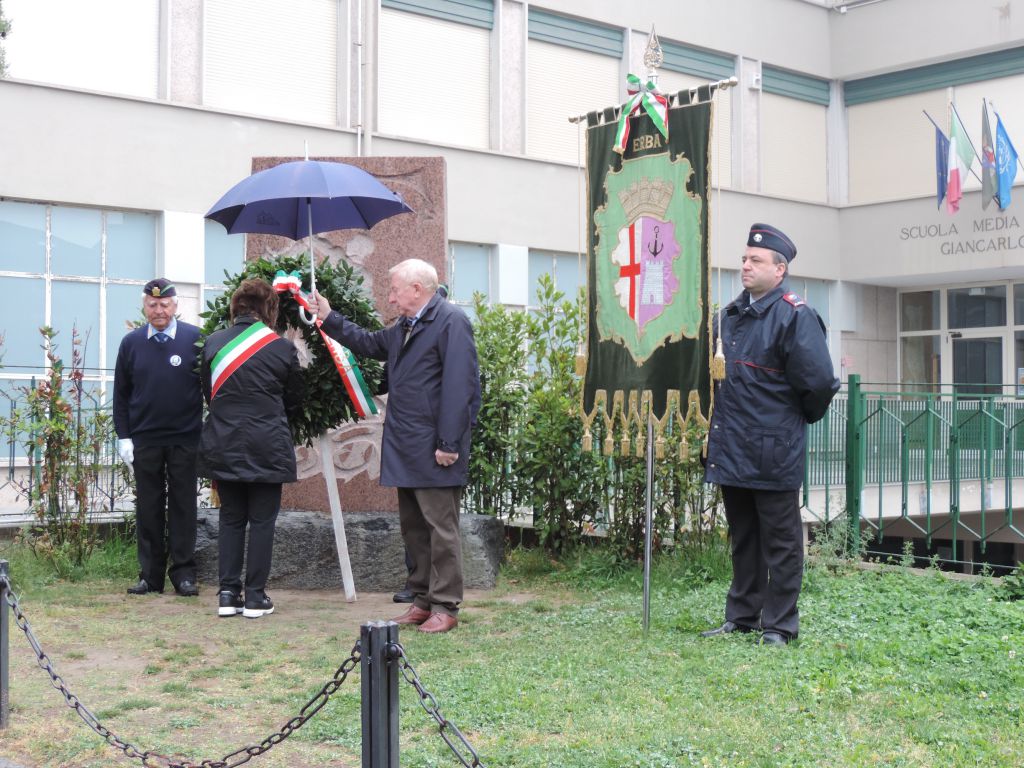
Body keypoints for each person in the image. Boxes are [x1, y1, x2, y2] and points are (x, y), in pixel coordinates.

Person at [312, 259, 480, 634]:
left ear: (417, 289)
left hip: (436, 447)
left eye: (394, 290)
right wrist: (328, 316)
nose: (390, 298)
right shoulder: (406, 325)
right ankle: (422, 600)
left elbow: (461, 387)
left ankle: (445, 605)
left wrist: (449, 443)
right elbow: (370, 343)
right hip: (406, 445)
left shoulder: (451, 321)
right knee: (414, 529)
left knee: (441, 529)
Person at [703, 223, 840, 646]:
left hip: (773, 451)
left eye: (756, 260)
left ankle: (779, 625)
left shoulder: (794, 316)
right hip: (732, 447)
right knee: (744, 537)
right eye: (744, 259)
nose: (746, 265)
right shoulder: (727, 318)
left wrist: (790, 425)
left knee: (782, 544)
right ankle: (742, 616)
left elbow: (819, 383)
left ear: (779, 270)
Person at [198, 279, 303, 619]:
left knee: (230, 519)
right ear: (269, 309)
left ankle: (228, 594)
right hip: (267, 445)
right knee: (261, 522)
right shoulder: (282, 349)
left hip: (224, 442)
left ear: (236, 307)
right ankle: (255, 597)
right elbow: (294, 400)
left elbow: (209, 394)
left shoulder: (213, 343)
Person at [114, 278, 203, 597]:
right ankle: (150, 576)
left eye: (164, 304)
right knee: (148, 507)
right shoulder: (131, 343)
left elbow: (208, 388)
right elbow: (121, 395)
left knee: (183, 506)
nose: (159, 310)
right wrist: (124, 436)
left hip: (185, 438)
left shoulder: (196, 339)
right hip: (145, 439)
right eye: (152, 305)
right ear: (144, 307)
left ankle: (184, 574)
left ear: (175, 305)